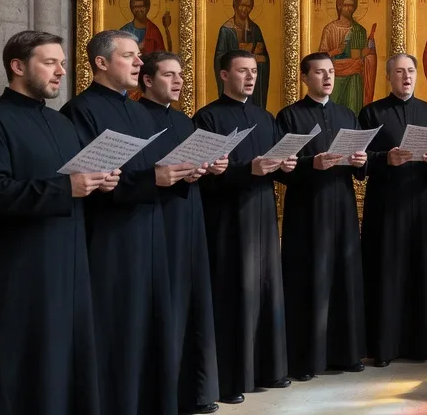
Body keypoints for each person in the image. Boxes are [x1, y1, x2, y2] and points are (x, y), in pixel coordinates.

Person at [0, 30, 117, 415]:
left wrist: (97, 183)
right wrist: (67, 188)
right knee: (18, 358)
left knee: (63, 354)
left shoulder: (61, 124)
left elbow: (73, 181)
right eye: (50, 63)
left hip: (68, 258)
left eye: (62, 63)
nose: (61, 71)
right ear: (18, 66)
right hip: (19, 263)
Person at [61, 31, 197, 415]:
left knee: (150, 324)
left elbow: (152, 170)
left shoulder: (139, 112)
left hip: (151, 229)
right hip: (110, 235)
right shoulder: (80, 110)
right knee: (116, 326)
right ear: (101, 62)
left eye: (139, 56)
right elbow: (89, 179)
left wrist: (181, 173)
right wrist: (154, 178)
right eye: (130, 56)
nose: (139, 62)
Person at [194, 50, 296, 404]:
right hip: (227, 216)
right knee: (233, 291)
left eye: (254, 71)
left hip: (263, 214)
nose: (251, 77)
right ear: (224, 75)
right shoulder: (207, 117)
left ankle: (270, 370)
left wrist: (286, 165)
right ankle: (231, 378)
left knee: (267, 289)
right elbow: (204, 174)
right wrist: (246, 169)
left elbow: (276, 167)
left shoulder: (265, 117)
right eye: (242, 71)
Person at [137, 52, 223, 415]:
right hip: (159, 219)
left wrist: (206, 167)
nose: (178, 81)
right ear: (147, 80)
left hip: (190, 216)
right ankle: (166, 394)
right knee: (167, 305)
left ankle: (196, 390)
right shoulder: (137, 118)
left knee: (194, 302)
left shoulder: (184, 120)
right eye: (169, 75)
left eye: (181, 75)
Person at [276, 53, 368, 379]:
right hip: (307, 208)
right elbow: (280, 167)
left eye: (331, 71)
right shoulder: (289, 116)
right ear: (305, 78)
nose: (328, 77)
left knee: (345, 277)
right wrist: (309, 164)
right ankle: (306, 360)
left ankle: (347, 354)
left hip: (343, 206)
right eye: (319, 72)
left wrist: (361, 162)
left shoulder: (346, 114)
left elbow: (361, 166)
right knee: (308, 279)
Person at [357, 53, 427, 365]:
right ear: (388, 77)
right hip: (386, 204)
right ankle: (384, 347)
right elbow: (360, 159)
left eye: (410, 71)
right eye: (399, 72)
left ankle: (426, 344)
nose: (406, 77)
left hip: (422, 203)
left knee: (423, 270)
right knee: (386, 271)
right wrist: (386, 158)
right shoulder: (372, 113)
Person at [318, 0, 377, 113]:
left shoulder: (360, 30)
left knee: (354, 111)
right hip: (335, 77)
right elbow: (321, 57)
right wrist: (336, 51)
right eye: (346, 5)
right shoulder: (330, 29)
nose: (349, 8)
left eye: (352, 5)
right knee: (333, 111)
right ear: (339, 6)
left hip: (355, 77)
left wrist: (367, 53)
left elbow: (360, 56)